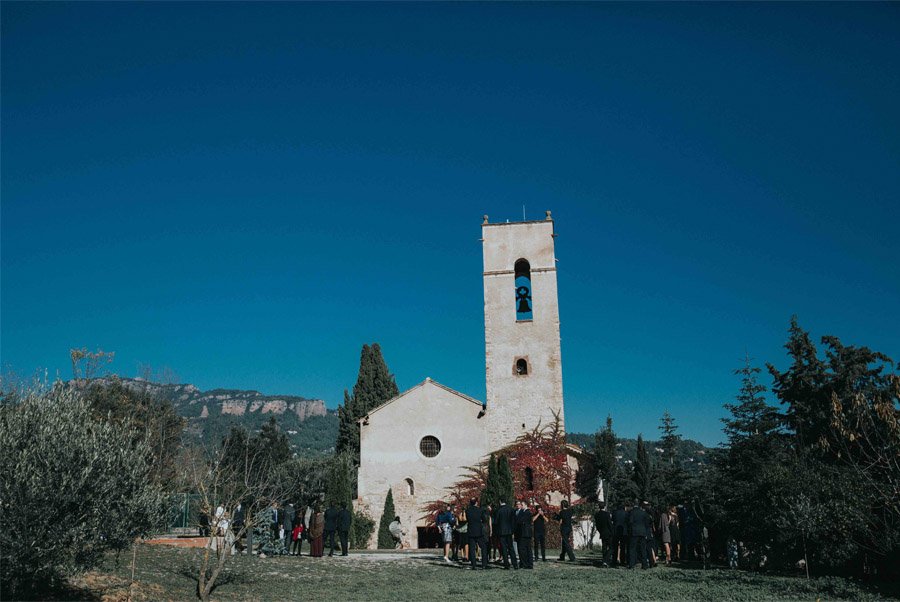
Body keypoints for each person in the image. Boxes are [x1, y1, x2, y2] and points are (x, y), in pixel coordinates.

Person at [493, 498, 518, 570]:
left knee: (503, 548)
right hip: (509, 531)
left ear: (500, 501)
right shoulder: (511, 509)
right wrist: (512, 530)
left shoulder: (498, 510)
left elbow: (496, 522)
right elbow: (514, 521)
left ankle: (506, 564)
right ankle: (515, 564)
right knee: (511, 547)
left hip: (501, 532)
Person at [465, 499, 489, 570]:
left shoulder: (467, 511)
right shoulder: (480, 510)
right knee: (483, 547)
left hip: (471, 531)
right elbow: (484, 520)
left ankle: (474, 564)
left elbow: (468, 519)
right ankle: (484, 564)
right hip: (479, 531)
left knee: (472, 549)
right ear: (476, 503)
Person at [628, 501, 651, 569]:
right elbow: (647, 523)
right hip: (642, 532)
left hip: (634, 532)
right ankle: (644, 565)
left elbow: (630, 522)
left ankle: (632, 564)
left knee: (632, 548)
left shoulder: (632, 512)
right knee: (643, 549)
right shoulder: (643, 513)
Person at [594, 501, 613, 567]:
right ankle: (605, 560)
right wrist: (612, 531)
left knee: (604, 547)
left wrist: (600, 531)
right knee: (611, 547)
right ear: (604, 506)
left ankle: (604, 561)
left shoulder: (597, 515)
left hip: (602, 532)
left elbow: (597, 525)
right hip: (608, 532)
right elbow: (609, 524)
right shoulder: (607, 514)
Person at [515, 500, 534, 569]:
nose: (521, 506)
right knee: (527, 549)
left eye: (522, 505)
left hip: (525, 533)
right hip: (525, 533)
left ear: (526, 505)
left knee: (524, 549)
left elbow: (521, 521)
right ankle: (527, 563)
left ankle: (526, 564)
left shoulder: (527, 512)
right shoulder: (525, 512)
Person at [612, 502, 628, 567]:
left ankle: (615, 560)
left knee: (615, 547)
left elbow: (613, 520)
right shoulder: (626, 513)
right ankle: (622, 560)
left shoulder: (614, 513)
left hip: (616, 531)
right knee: (623, 547)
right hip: (624, 531)